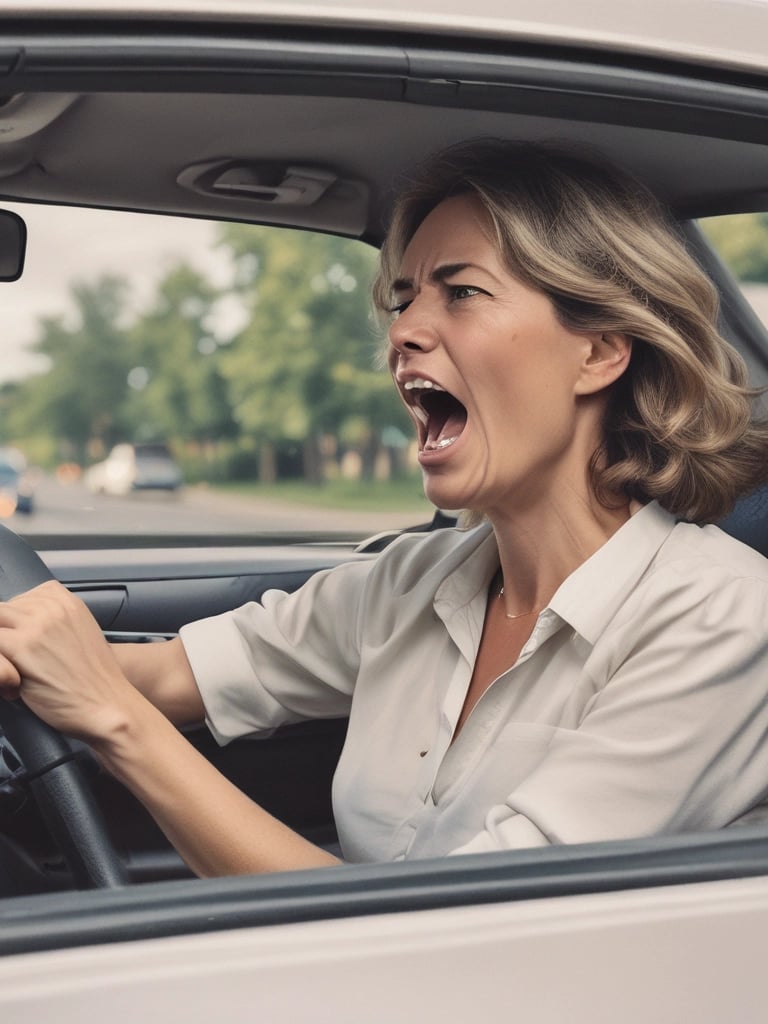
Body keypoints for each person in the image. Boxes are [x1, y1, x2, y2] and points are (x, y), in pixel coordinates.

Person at [0, 139, 767, 876]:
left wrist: (116, 722)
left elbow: (465, 941)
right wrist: (29, 655)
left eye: (461, 292)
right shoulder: (407, 584)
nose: (402, 331)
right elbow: (172, 672)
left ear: (599, 351)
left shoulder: (722, 620)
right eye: (403, 300)